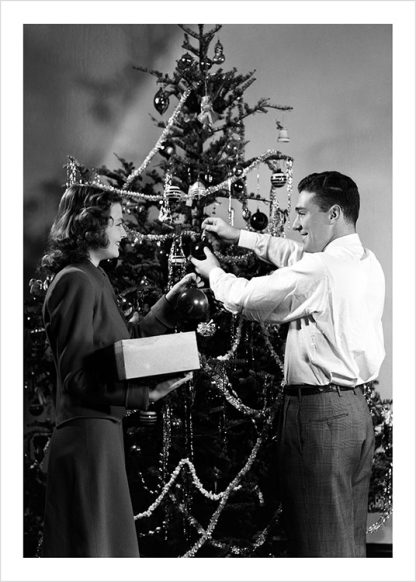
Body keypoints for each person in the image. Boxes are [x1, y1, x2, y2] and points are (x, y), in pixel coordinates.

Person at [191, 171, 385, 557]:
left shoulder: (322, 270)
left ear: (332, 214)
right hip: (355, 415)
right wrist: (241, 237)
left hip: (319, 417)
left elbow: (247, 297)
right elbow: (299, 257)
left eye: (302, 213)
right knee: (347, 542)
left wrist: (214, 273)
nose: (296, 224)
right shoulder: (364, 261)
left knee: (320, 547)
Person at [40, 184, 197, 557]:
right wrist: (146, 396)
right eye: (118, 223)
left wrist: (168, 306)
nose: (125, 232)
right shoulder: (76, 280)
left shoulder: (94, 277)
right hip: (86, 441)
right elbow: (77, 378)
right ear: (91, 226)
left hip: (100, 435)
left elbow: (122, 347)